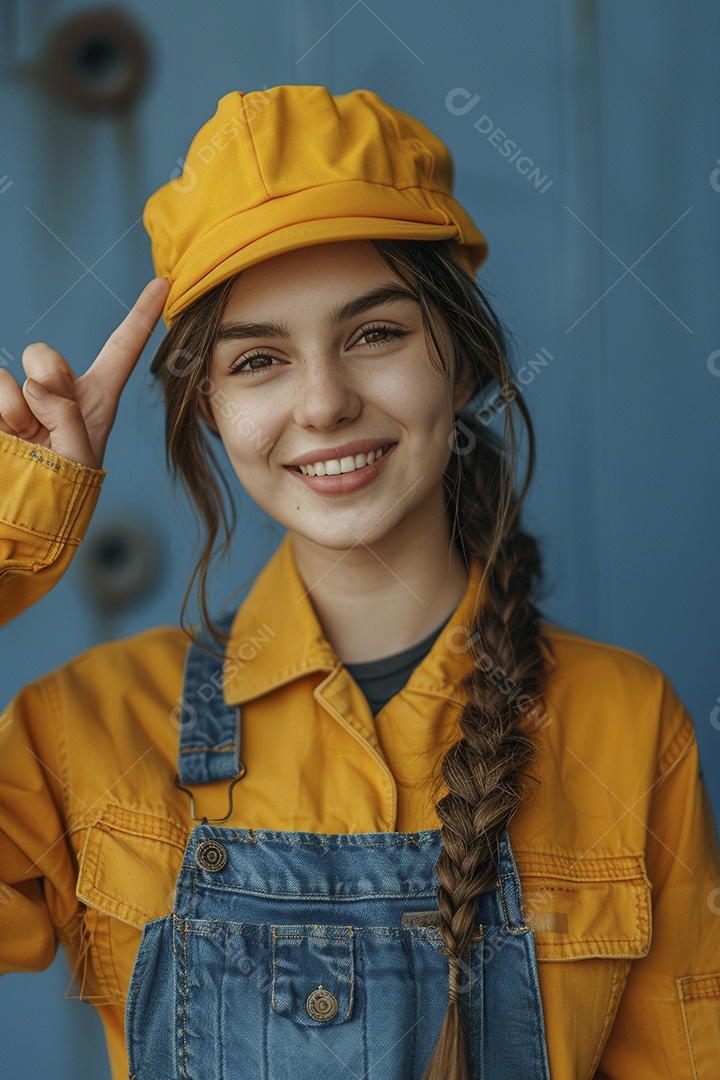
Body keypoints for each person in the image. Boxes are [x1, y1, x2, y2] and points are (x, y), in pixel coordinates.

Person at [0, 84, 718, 1080]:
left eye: (376, 334)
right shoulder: (80, 730)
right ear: (208, 409)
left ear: (460, 362)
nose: (327, 403)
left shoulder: (627, 725)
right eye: (258, 360)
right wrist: (10, 531)